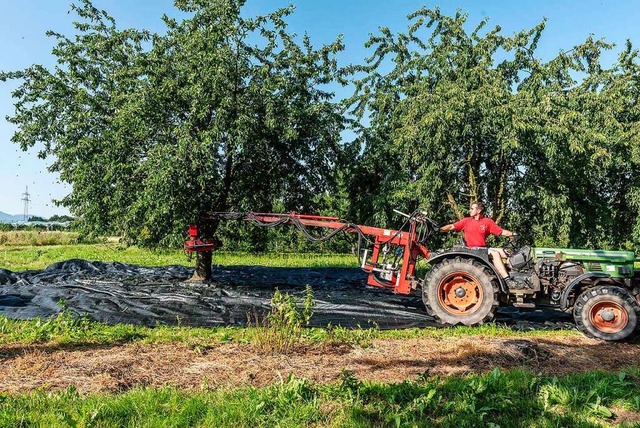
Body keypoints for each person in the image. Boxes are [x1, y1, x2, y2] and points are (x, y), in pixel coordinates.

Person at [440, 201, 518, 287]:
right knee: (495, 254)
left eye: (472, 209)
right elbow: (451, 226)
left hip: (483, 249)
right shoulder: (466, 221)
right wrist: (440, 229)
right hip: (473, 250)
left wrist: (513, 234)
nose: (469, 210)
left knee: (508, 252)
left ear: (479, 210)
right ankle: (507, 280)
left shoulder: (487, 222)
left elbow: (501, 231)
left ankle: (511, 273)